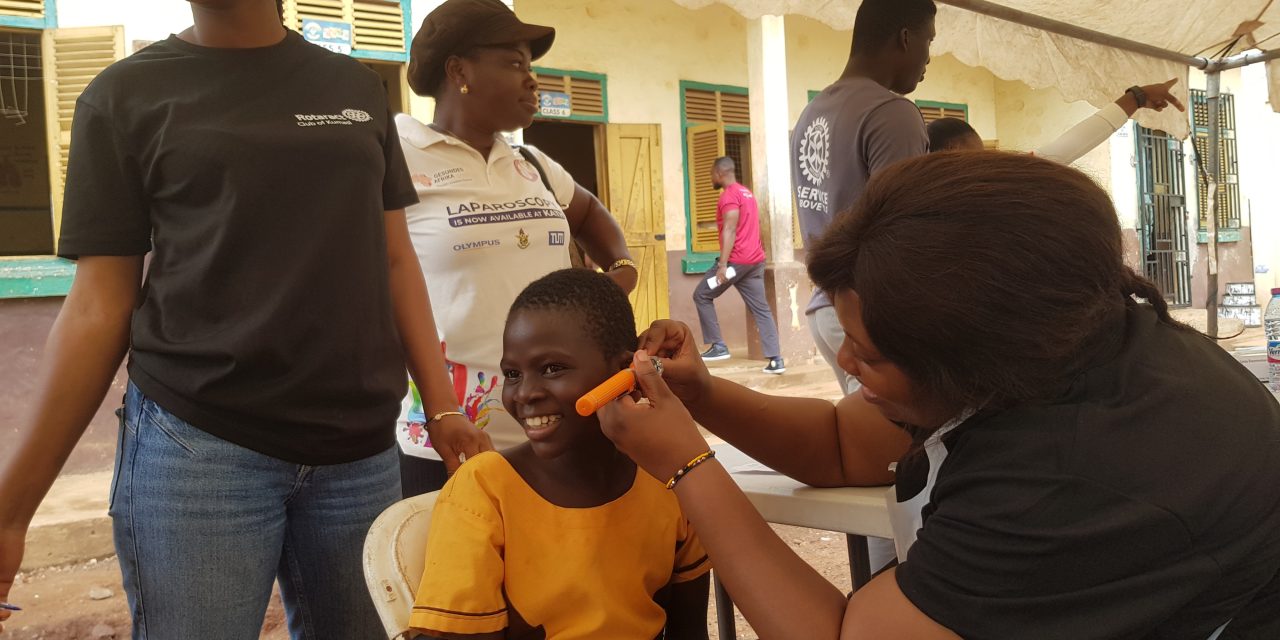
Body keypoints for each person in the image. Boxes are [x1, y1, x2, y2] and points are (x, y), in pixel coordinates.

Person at [599, 152, 1280, 638]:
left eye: (867, 355)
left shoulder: (1066, 476)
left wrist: (689, 468)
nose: (843, 360)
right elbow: (841, 447)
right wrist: (703, 398)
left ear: (965, 363)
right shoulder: (1068, 334)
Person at [0, 1, 485, 637]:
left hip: (359, 451)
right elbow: (98, 302)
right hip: (198, 447)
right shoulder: (123, 95)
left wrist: (442, 406)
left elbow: (395, 259)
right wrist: (11, 513)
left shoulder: (353, 88)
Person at [394, 0, 638, 496]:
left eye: (531, 67)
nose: (532, 80)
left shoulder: (530, 162)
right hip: (454, 438)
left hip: (560, 430)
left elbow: (590, 213)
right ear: (459, 70)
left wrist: (622, 270)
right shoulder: (398, 155)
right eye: (514, 64)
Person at [408, 269, 710, 640]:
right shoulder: (485, 490)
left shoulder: (669, 478)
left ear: (623, 371)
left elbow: (690, 630)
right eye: (512, 374)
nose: (524, 394)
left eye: (553, 368)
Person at [791, 0, 935, 397]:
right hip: (871, 315)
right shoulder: (891, 113)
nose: (929, 59)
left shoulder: (812, 111)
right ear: (906, 38)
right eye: (929, 41)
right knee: (893, 448)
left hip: (827, 308)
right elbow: (904, 231)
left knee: (869, 440)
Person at [928, 78, 1186, 159]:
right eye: (978, 152)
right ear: (954, 149)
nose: (986, 159)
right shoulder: (983, 183)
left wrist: (1136, 98)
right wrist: (1136, 98)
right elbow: (1068, 147)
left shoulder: (910, 198)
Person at [692, 156, 784, 374]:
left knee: (702, 295)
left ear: (720, 173)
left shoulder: (729, 196)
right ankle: (776, 360)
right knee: (761, 309)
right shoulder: (747, 193)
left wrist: (722, 266)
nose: (711, 178)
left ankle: (718, 346)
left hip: (735, 263)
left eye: (712, 174)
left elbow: (730, 229)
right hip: (755, 262)